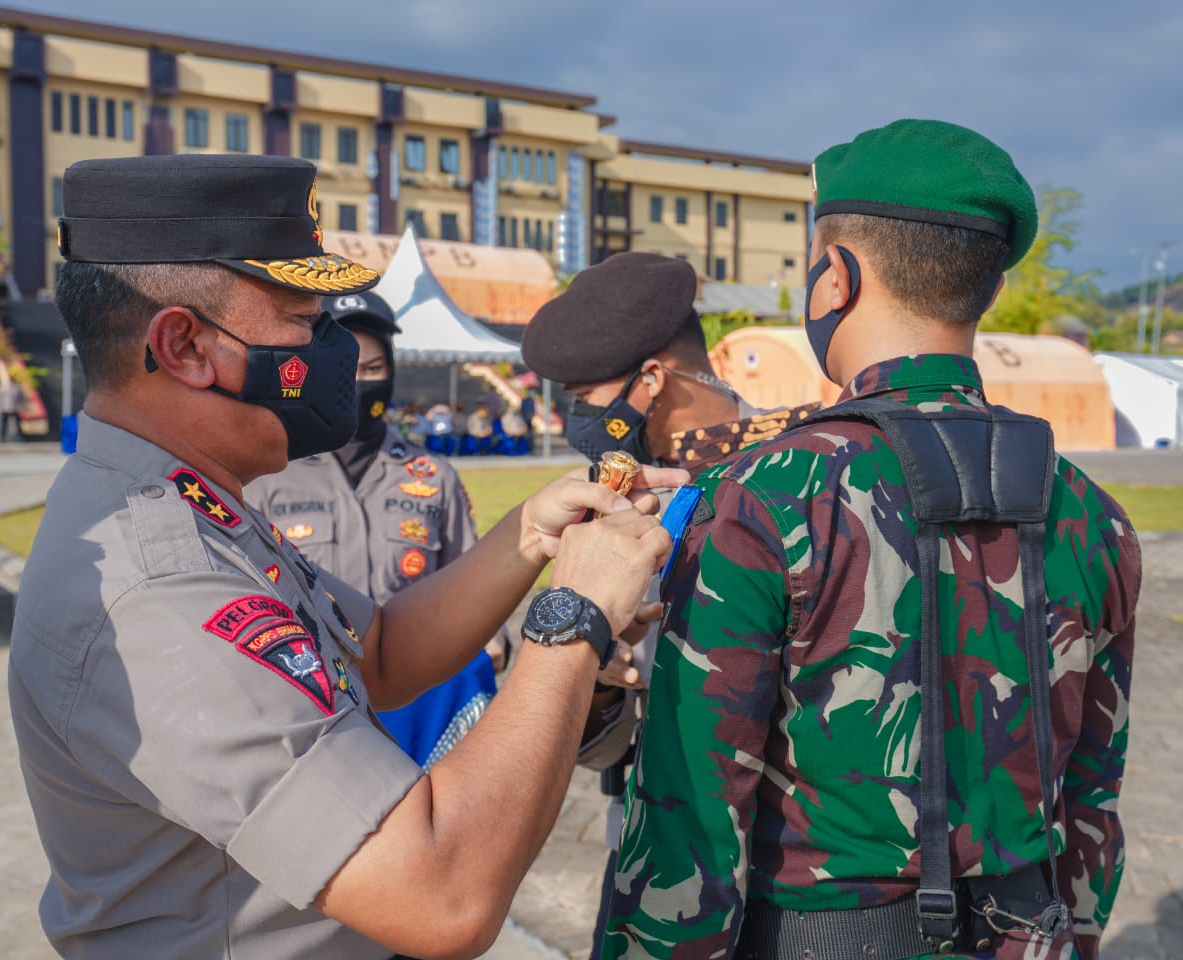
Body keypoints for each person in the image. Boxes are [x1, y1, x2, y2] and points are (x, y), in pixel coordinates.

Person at [8, 153, 682, 960]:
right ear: (184, 345)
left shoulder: (193, 505)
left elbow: (383, 653)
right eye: (303, 321)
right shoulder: (160, 587)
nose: (334, 353)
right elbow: (444, 895)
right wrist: (573, 620)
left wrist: (531, 537)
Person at [602, 120, 1140, 960]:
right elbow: (1092, 791)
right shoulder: (1092, 512)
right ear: (989, 291)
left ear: (835, 276)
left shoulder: (765, 495)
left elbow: (688, 820)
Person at [522, 250, 816, 958]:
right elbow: (611, 734)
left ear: (651, 379)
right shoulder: (622, 498)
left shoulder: (791, 477)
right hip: (653, 841)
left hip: (779, 862)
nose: (576, 419)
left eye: (585, 397)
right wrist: (595, 677)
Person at [245, 290, 508, 771]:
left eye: (373, 369)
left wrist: (493, 647)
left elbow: (470, 583)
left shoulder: (434, 476)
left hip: (421, 703)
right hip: (313, 714)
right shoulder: (266, 477)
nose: (359, 381)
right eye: (346, 366)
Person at [0, 375, 23, 442]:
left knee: (18, 424)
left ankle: (20, 438)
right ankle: (2, 439)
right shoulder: (1, 387)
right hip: (4, 408)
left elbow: (20, 399)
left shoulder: (17, 387)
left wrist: (20, 407)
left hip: (14, 408)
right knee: (4, 425)